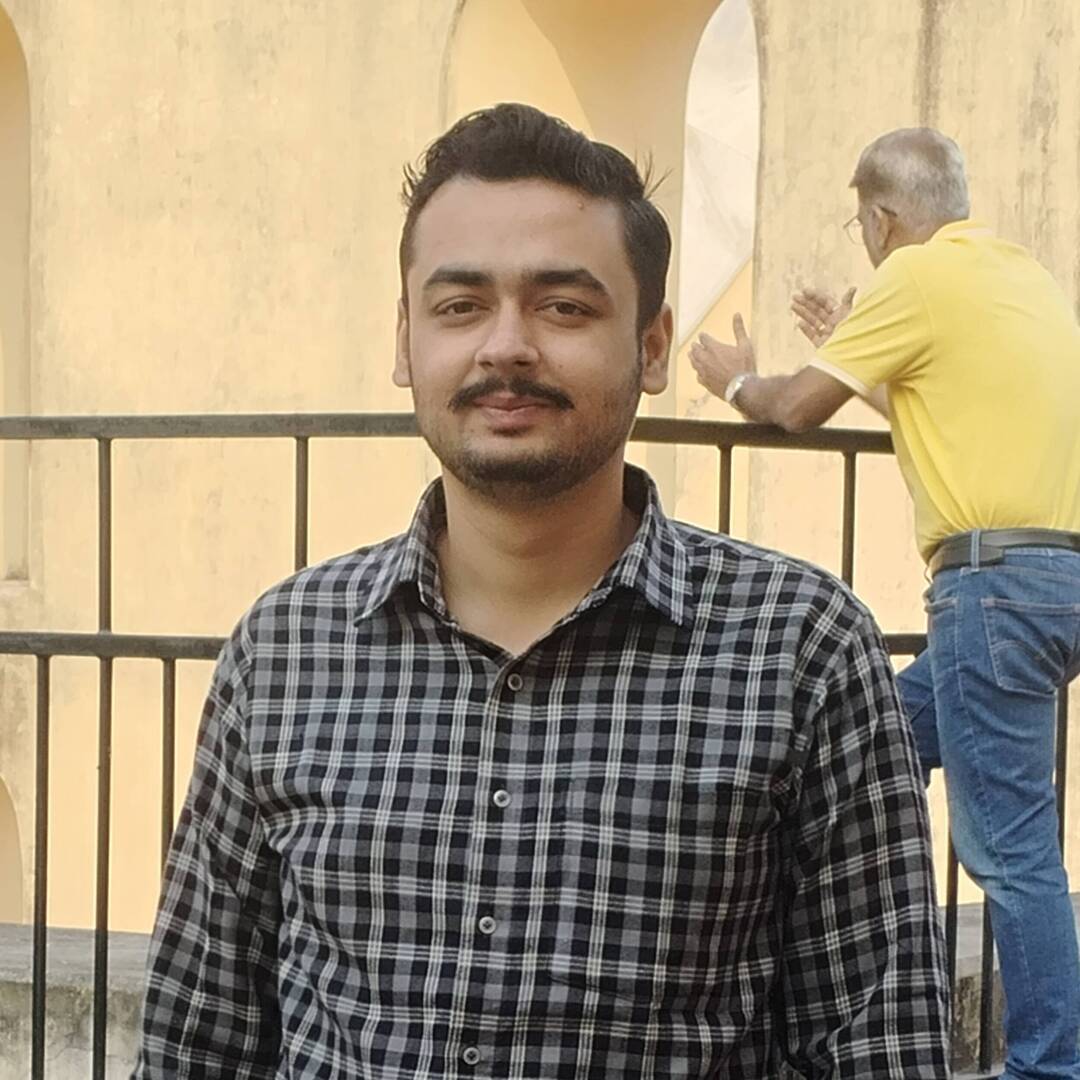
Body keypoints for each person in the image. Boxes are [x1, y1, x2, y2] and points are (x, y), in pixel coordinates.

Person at [133, 105, 949, 1079]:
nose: (506, 346)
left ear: (652, 346)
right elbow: (198, 1041)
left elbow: (878, 1046)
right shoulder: (285, 650)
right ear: (405, 341)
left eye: (563, 307)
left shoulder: (800, 648)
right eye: (459, 305)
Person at [691, 126, 1080, 1080]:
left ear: (882, 218)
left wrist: (735, 378)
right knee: (871, 744)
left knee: (1012, 852)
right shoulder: (1018, 276)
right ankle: (814, 985)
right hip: (1056, 581)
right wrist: (848, 347)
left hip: (995, 592)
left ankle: (1049, 1067)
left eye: (861, 225)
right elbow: (942, 403)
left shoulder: (913, 276)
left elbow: (796, 407)